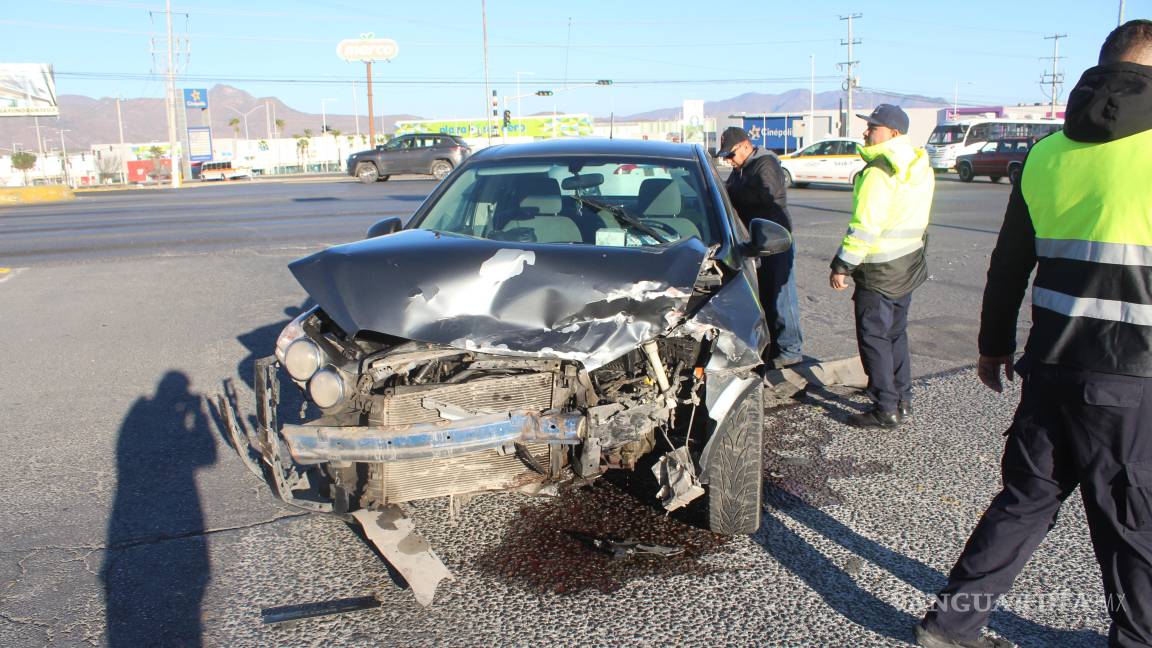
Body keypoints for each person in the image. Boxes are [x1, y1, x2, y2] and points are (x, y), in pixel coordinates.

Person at [916, 20, 1152, 648]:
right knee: (1131, 522)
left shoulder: (1046, 152)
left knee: (1025, 499)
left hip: (1050, 365)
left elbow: (1010, 261)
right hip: (1133, 375)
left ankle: (951, 623)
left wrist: (994, 345)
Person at [829, 104, 934, 428]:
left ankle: (884, 407)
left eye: (874, 127)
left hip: (879, 268)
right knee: (895, 334)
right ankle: (902, 399)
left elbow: (865, 226)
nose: (866, 132)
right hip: (907, 264)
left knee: (874, 337)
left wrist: (842, 265)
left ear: (894, 133)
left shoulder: (879, 171)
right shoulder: (918, 165)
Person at [716, 126, 803, 368]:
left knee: (781, 299)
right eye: (725, 157)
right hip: (754, 242)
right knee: (764, 297)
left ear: (745, 145)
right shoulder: (741, 170)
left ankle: (790, 349)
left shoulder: (765, 164)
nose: (729, 161)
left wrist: (733, 195)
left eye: (730, 155)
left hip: (774, 240)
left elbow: (767, 196)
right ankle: (773, 346)